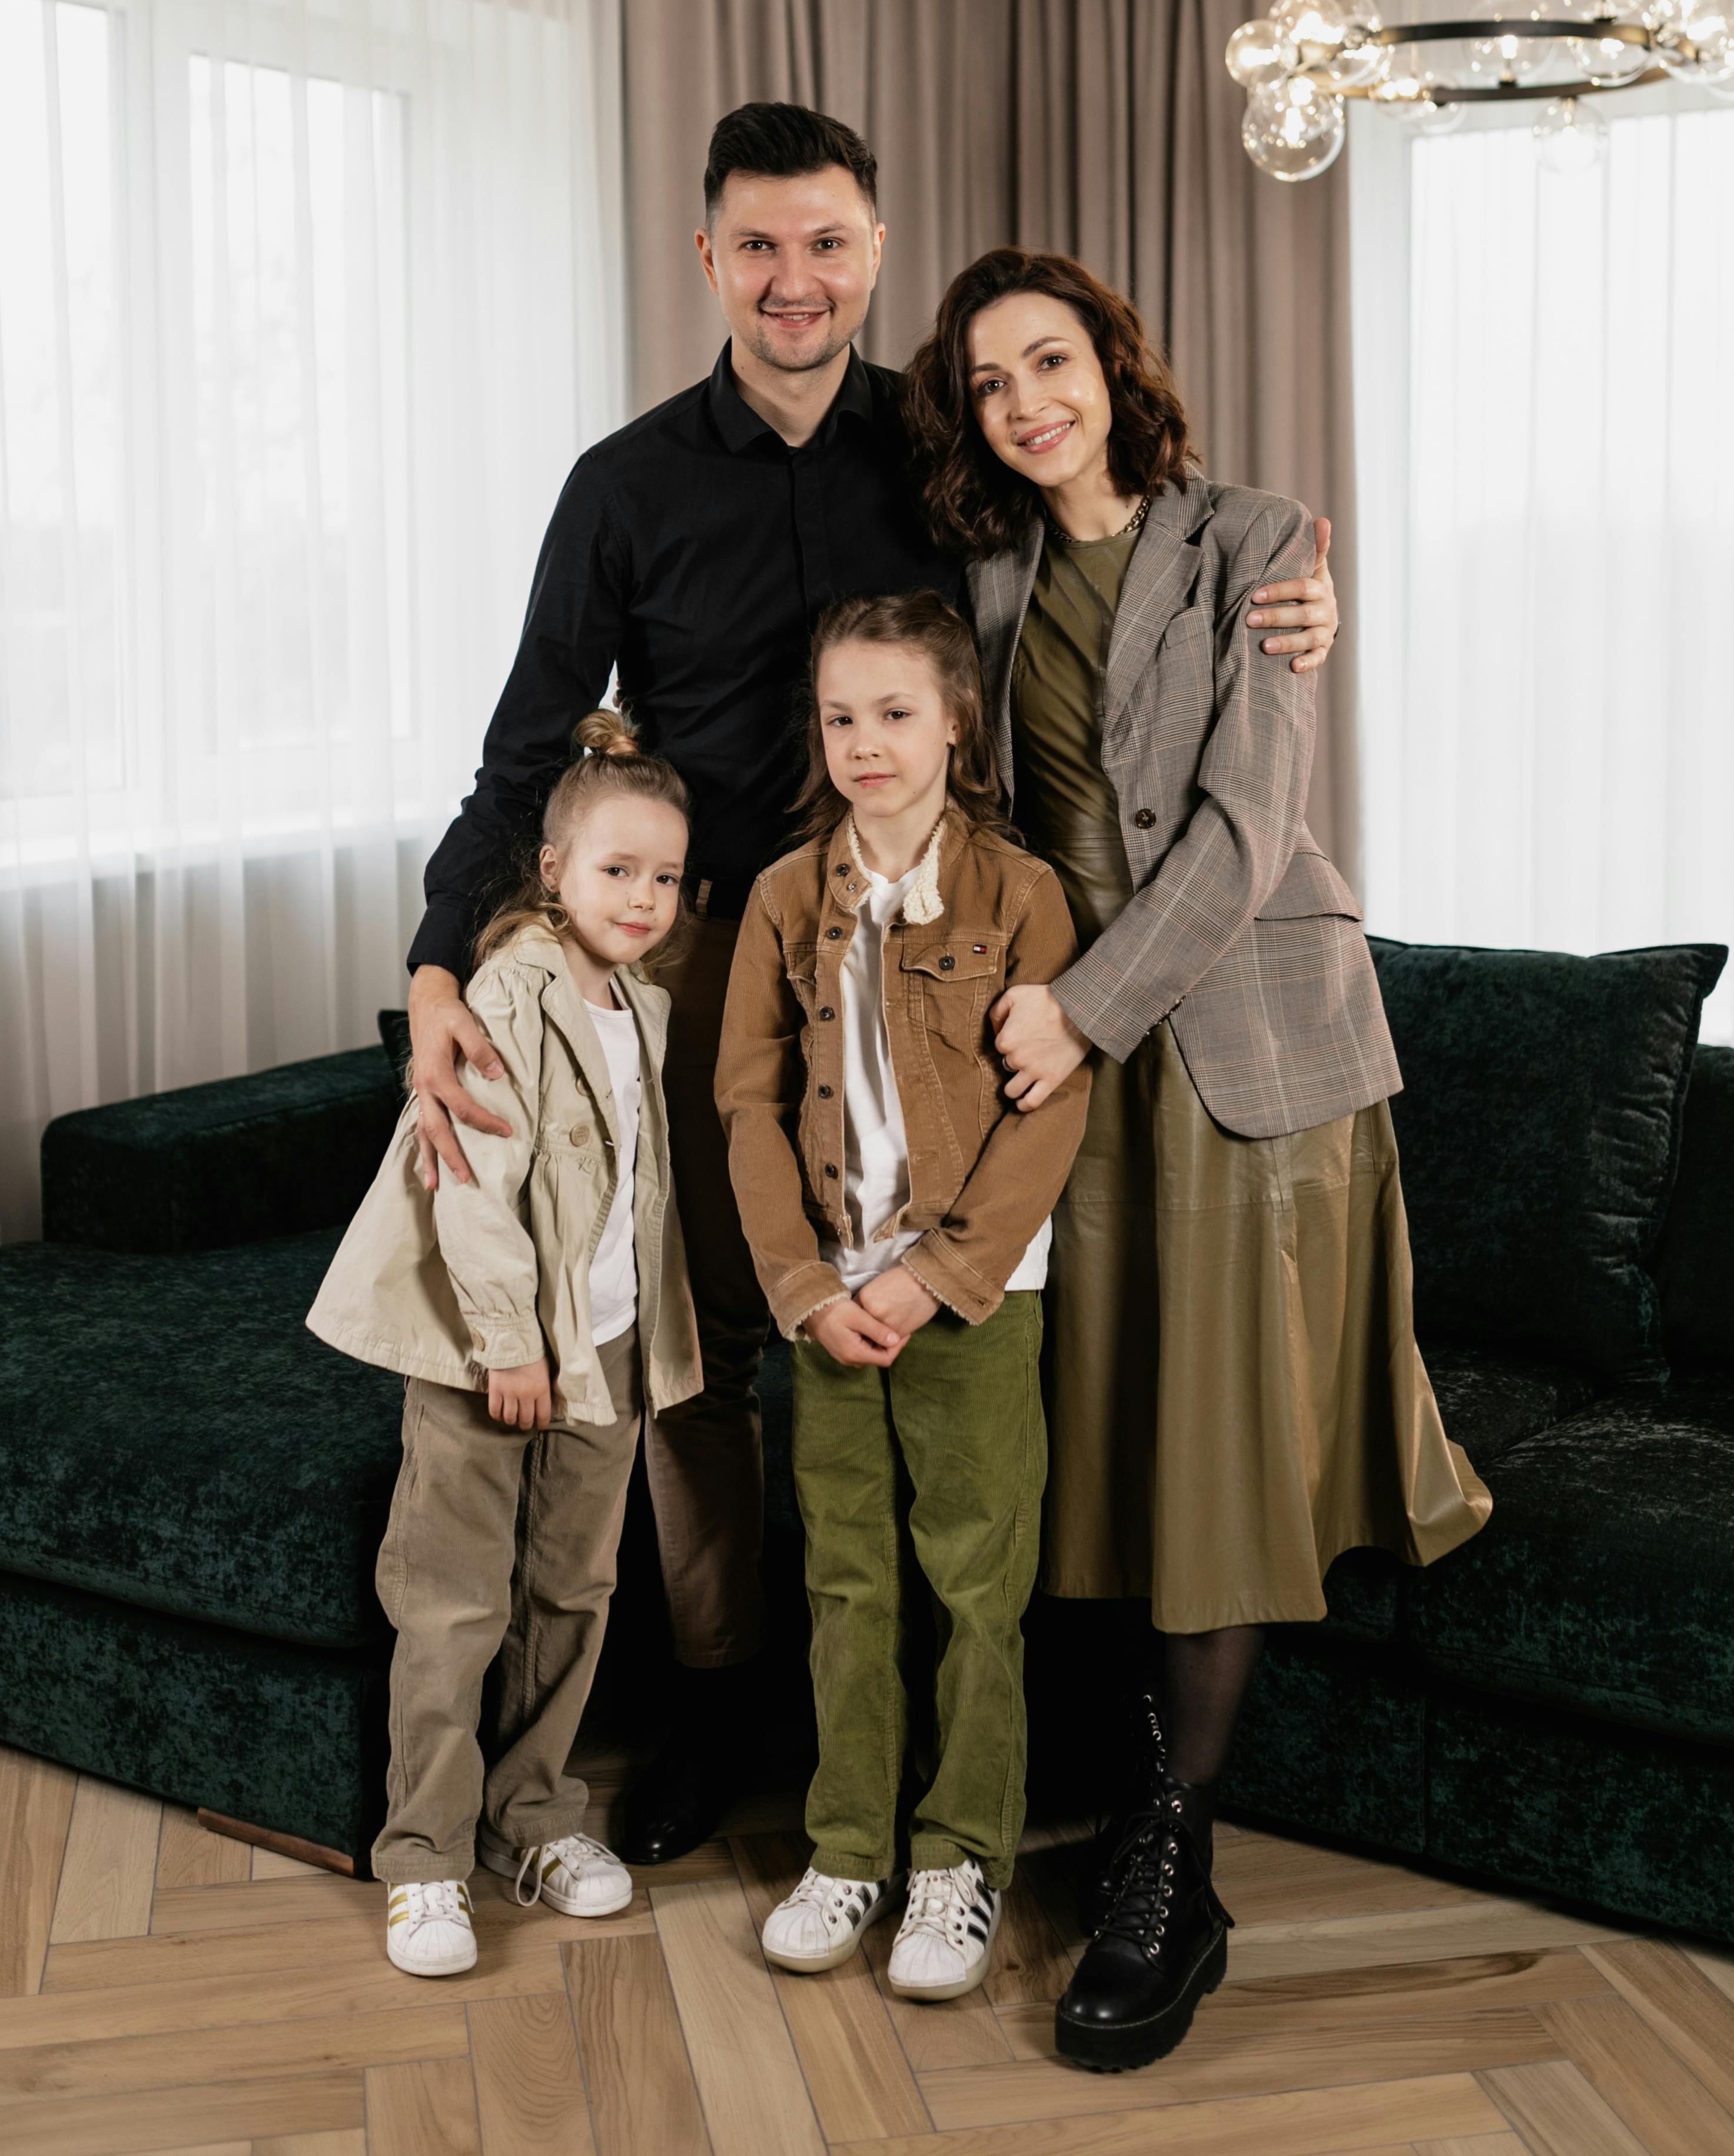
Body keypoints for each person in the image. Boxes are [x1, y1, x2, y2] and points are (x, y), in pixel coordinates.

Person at [401, 102, 1343, 1863]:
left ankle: (991, 1728)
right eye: (757, 243)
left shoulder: (953, 457)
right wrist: (440, 956)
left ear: (875, 254)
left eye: (828, 242)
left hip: (942, 951)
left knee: (957, 1316)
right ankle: (720, 1707)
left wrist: (1283, 597)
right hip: (697, 961)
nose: (794, 278)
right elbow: (528, 746)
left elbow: (1110, 545)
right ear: (707, 260)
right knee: (705, 1364)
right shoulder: (620, 485)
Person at [902, 249, 1491, 2072]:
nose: (1027, 401)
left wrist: (1083, 1008)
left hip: (1231, 1042)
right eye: (992, 379)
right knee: (1103, 1422)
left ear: (1113, 361)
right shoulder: (981, 571)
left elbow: (1243, 832)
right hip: (1068, 1053)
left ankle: (1181, 1853)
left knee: (1220, 1440)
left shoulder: (1257, 537)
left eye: (1051, 360)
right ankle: (1094, 1791)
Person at [716, 591, 1090, 1997]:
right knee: (847, 1575)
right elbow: (747, 1107)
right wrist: (808, 1287)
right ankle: (849, 1844)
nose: (865, 743)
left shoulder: (1021, 894)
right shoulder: (776, 897)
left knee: (976, 1581)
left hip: (974, 1298)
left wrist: (937, 1277)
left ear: (954, 720)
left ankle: (958, 1860)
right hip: (831, 1304)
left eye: (894, 712)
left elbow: (1048, 1114)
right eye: (840, 715)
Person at [307, 711, 702, 1975]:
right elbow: (471, 1176)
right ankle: (424, 1853)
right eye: (615, 870)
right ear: (552, 870)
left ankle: (531, 1817)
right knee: (453, 1598)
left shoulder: (644, 1002)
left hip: (603, 1356)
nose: (641, 897)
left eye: (663, 876)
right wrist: (507, 1344)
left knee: (571, 1594)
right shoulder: (508, 991)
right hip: (494, 1356)